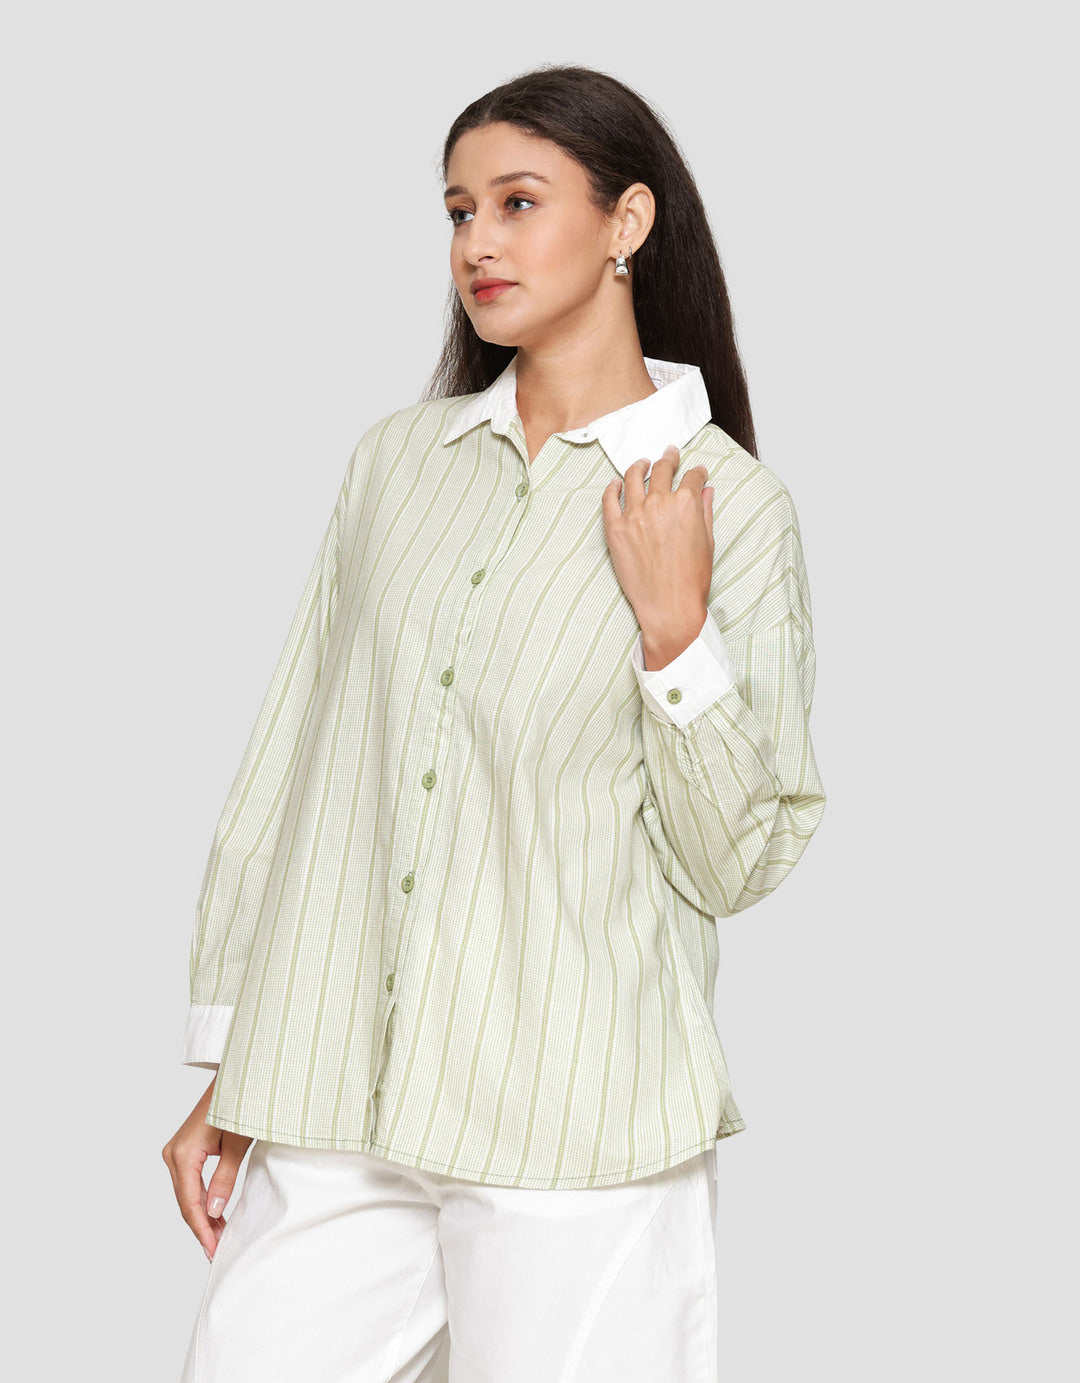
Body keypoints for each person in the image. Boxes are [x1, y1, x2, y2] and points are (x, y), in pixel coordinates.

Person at [162, 63, 827, 1383]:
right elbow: (300, 769)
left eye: (519, 203)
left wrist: (675, 634)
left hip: (579, 1122)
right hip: (342, 1096)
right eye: (459, 211)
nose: (478, 242)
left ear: (627, 221)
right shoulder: (397, 467)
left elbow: (734, 860)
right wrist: (235, 1065)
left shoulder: (730, 508)